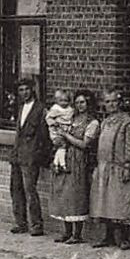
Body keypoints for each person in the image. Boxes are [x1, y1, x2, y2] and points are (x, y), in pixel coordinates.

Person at [90, 88, 130, 249]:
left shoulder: (126, 122)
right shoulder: (105, 121)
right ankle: (108, 236)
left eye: (113, 101)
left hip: (119, 167)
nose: (110, 105)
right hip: (104, 167)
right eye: (107, 101)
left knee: (119, 202)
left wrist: (128, 165)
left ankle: (123, 237)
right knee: (105, 202)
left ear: (119, 103)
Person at [48, 89, 99, 243]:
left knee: (76, 195)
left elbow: (84, 144)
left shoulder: (92, 122)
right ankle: (67, 231)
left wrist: (66, 136)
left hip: (79, 160)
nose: (79, 105)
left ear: (89, 103)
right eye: (77, 102)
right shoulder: (71, 117)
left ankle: (77, 234)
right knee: (63, 194)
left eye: (82, 102)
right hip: (66, 156)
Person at [8, 76, 52, 236]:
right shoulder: (20, 108)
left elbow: (43, 136)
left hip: (31, 156)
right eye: (21, 90)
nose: (24, 92)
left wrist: (38, 156)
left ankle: (36, 225)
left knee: (30, 190)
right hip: (17, 155)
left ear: (32, 89)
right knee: (15, 189)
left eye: (27, 89)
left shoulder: (40, 109)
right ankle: (20, 222)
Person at [45, 89, 76, 173]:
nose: (63, 103)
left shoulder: (70, 110)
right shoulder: (56, 109)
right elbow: (48, 118)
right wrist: (53, 123)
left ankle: (56, 164)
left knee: (61, 148)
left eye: (66, 101)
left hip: (65, 131)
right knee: (62, 146)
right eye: (61, 101)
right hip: (56, 131)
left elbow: (71, 119)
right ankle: (63, 165)